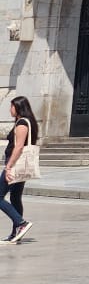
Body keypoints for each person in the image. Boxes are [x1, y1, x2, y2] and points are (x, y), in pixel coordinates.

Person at [2, 94, 38, 243]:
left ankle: (21, 223)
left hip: (15, 165)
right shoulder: (27, 122)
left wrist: (9, 166)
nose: (10, 109)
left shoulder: (22, 123)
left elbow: (18, 147)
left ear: (18, 107)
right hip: (20, 166)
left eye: (12, 106)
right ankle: (16, 233)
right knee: (15, 198)